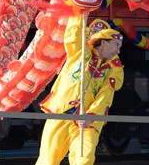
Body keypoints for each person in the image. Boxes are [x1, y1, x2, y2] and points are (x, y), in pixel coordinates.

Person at [35, 17, 124, 165]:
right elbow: (73, 34)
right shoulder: (80, 53)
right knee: (48, 161)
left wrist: (92, 116)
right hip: (62, 115)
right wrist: (80, 12)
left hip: (88, 122)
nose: (118, 50)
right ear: (103, 41)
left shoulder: (112, 70)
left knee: (85, 160)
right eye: (116, 45)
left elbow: (105, 97)